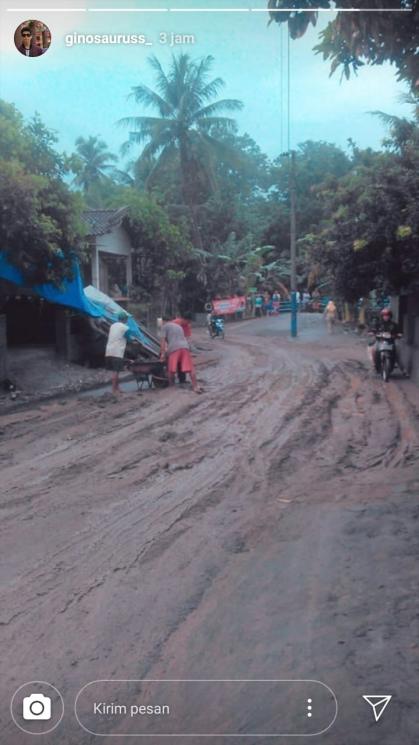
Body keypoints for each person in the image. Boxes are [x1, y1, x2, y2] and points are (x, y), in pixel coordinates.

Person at [160, 318, 202, 393]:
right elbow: (185, 338)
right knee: (191, 368)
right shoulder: (178, 326)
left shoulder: (164, 327)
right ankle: (195, 386)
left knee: (171, 370)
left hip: (174, 348)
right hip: (185, 347)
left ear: (163, 321)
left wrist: (163, 354)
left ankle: (171, 387)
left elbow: (163, 342)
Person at [369, 307, 408, 376]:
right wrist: (372, 332)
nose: (386, 317)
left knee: (398, 353)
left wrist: (399, 335)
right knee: (372, 349)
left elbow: (400, 332)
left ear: (390, 316)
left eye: (387, 315)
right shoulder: (378, 324)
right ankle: (374, 366)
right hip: (379, 341)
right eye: (384, 315)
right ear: (382, 316)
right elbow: (371, 330)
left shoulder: (394, 324)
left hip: (391, 342)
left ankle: (403, 370)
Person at [105, 310, 132, 395]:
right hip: (117, 352)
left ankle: (117, 388)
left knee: (115, 371)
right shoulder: (125, 327)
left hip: (109, 351)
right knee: (116, 371)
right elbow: (129, 339)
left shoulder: (112, 326)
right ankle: (114, 391)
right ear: (125, 319)